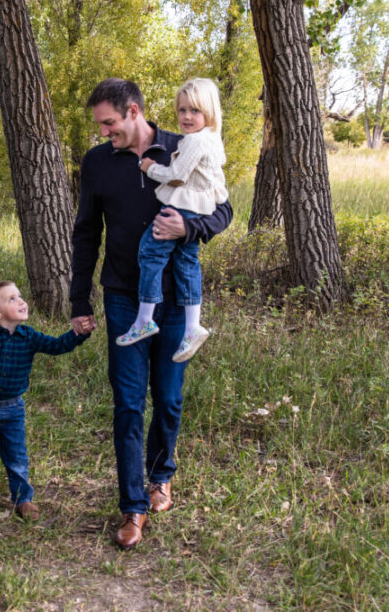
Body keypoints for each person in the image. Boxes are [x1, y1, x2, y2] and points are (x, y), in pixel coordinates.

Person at [70, 78, 233, 549]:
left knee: (169, 396)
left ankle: (162, 474)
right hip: (123, 296)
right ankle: (132, 506)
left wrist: (190, 225)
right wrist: (80, 302)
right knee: (127, 403)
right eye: (100, 125)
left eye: (110, 123)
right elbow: (86, 235)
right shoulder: (98, 163)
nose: (104, 132)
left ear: (135, 112)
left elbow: (223, 209)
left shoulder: (186, 145)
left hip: (177, 300)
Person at [115, 77, 229, 365]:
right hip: (197, 207)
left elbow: (176, 174)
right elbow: (216, 183)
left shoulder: (193, 140)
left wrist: (150, 168)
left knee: (151, 252)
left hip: (183, 207)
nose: (187, 117)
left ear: (210, 112)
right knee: (186, 261)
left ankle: (144, 319)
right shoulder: (213, 139)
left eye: (195, 111)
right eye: (182, 110)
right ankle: (193, 327)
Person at [0, 281, 89, 521]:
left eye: (20, 296)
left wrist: (78, 334)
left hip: (14, 408)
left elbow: (56, 346)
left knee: (16, 455)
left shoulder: (29, 336)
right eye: (12, 299)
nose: (22, 301)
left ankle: (23, 498)